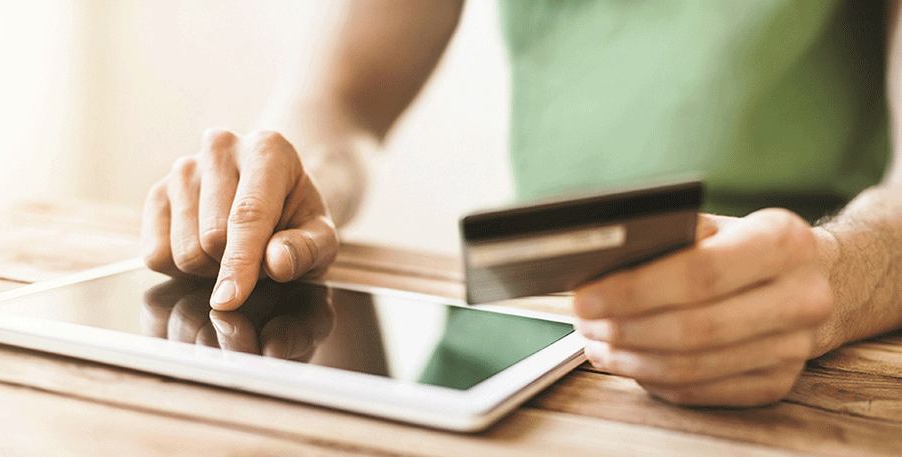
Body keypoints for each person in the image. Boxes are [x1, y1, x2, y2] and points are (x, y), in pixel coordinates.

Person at [140, 0, 902, 407]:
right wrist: (289, 176)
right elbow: (341, 98)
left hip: (798, 348)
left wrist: (837, 275)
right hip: (520, 332)